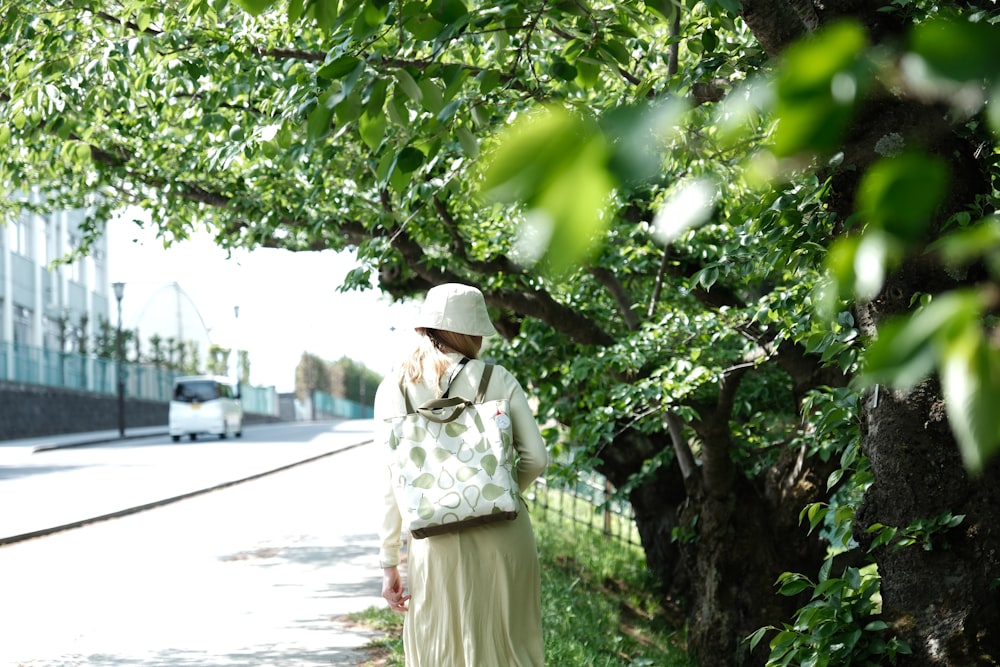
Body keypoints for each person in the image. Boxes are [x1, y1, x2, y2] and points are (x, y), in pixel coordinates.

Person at [374, 282, 549, 666]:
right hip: (504, 533)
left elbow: (390, 485)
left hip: (434, 541)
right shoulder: (497, 378)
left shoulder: (394, 389)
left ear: (425, 327)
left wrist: (389, 562)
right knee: (509, 646)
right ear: (472, 332)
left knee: (439, 648)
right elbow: (536, 458)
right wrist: (496, 493)